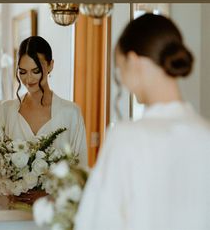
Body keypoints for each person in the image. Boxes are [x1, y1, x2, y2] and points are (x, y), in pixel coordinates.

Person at [75, 13, 210, 230]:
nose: (123, 82)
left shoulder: (126, 137)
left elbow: (96, 224)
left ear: (134, 61)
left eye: (119, 70)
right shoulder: (206, 135)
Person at [0, 36, 87, 167]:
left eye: (36, 71)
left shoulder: (71, 113)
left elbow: (80, 167)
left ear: (51, 65)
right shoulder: (5, 111)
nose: (28, 79)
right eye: (22, 72)